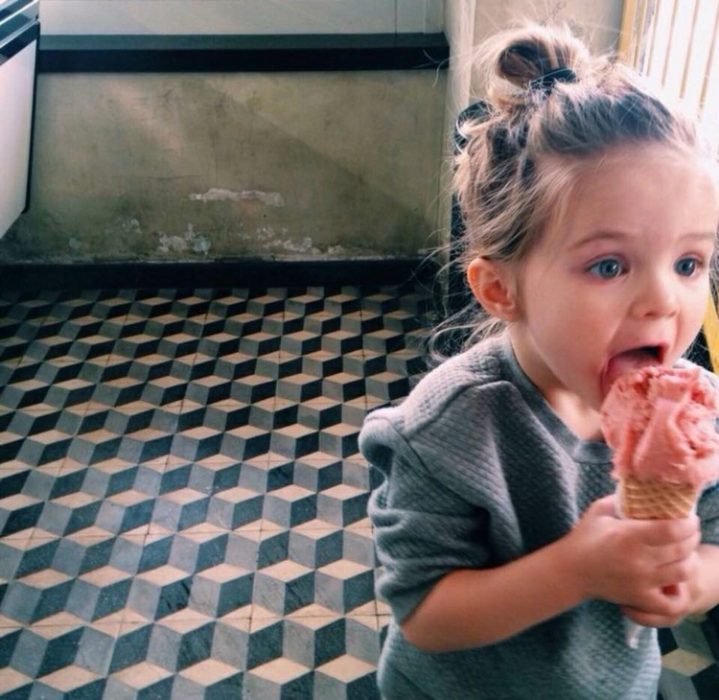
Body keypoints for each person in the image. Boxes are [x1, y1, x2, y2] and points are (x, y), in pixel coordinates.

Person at [358, 22, 719, 699]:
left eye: (689, 262)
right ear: (500, 288)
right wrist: (577, 571)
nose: (663, 300)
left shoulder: (700, 412)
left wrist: (690, 577)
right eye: (609, 265)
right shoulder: (445, 430)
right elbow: (425, 613)